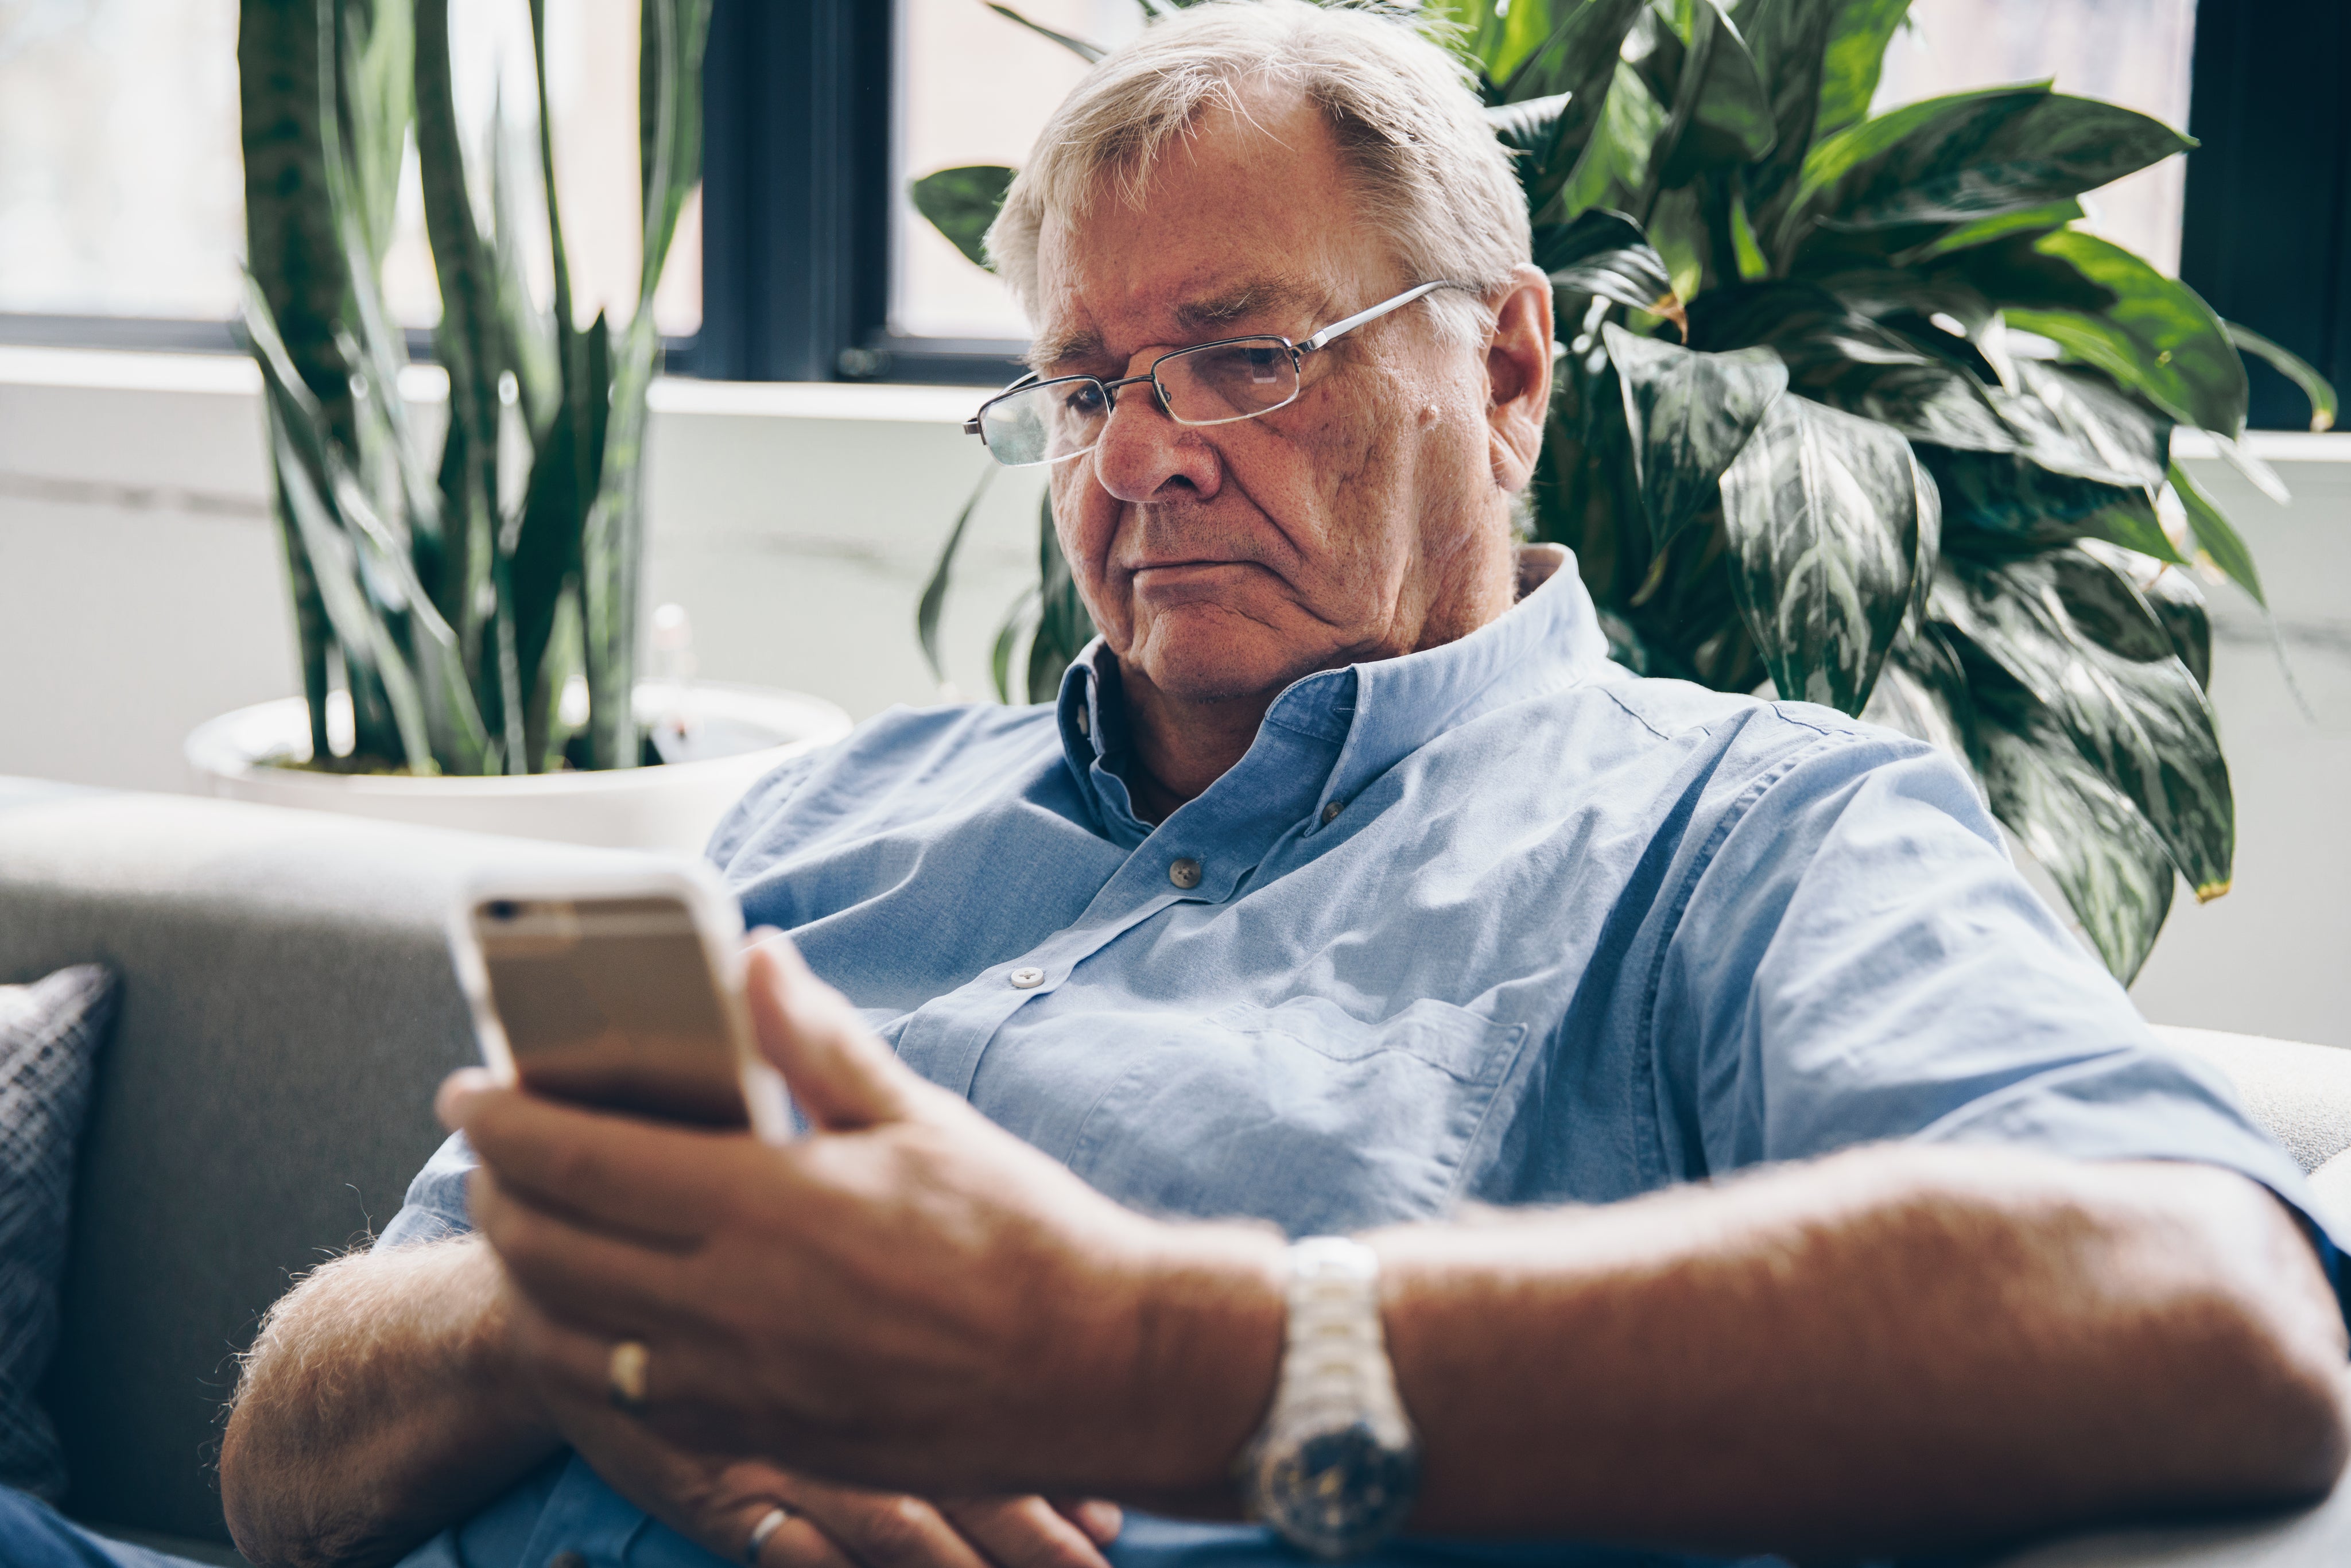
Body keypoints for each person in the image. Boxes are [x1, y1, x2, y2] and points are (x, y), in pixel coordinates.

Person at [173, 4, 2351, 1568]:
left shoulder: (1751, 845)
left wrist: (1135, 1346)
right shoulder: (818, 826)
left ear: (1504, 369)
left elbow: (2220, 1312)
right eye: (1089, 383)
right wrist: (612, 1334)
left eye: (1246, 352)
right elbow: (282, 1463)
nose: (1138, 451)